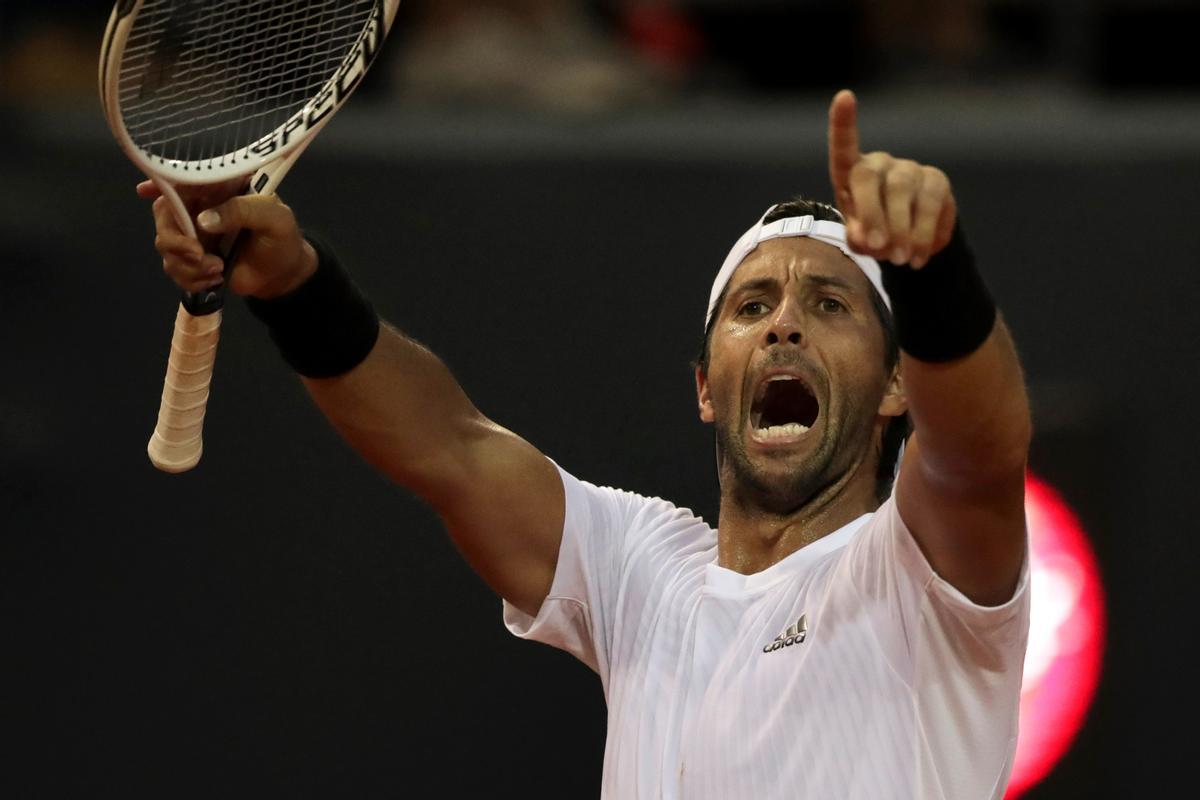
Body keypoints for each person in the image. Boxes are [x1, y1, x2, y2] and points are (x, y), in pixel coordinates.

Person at [144, 90, 1031, 799]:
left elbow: (977, 453)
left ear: (895, 386)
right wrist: (296, 285)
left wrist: (932, 269)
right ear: (703, 388)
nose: (784, 327)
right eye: (753, 307)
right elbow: (447, 447)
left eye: (830, 306)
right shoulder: (642, 572)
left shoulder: (920, 575)